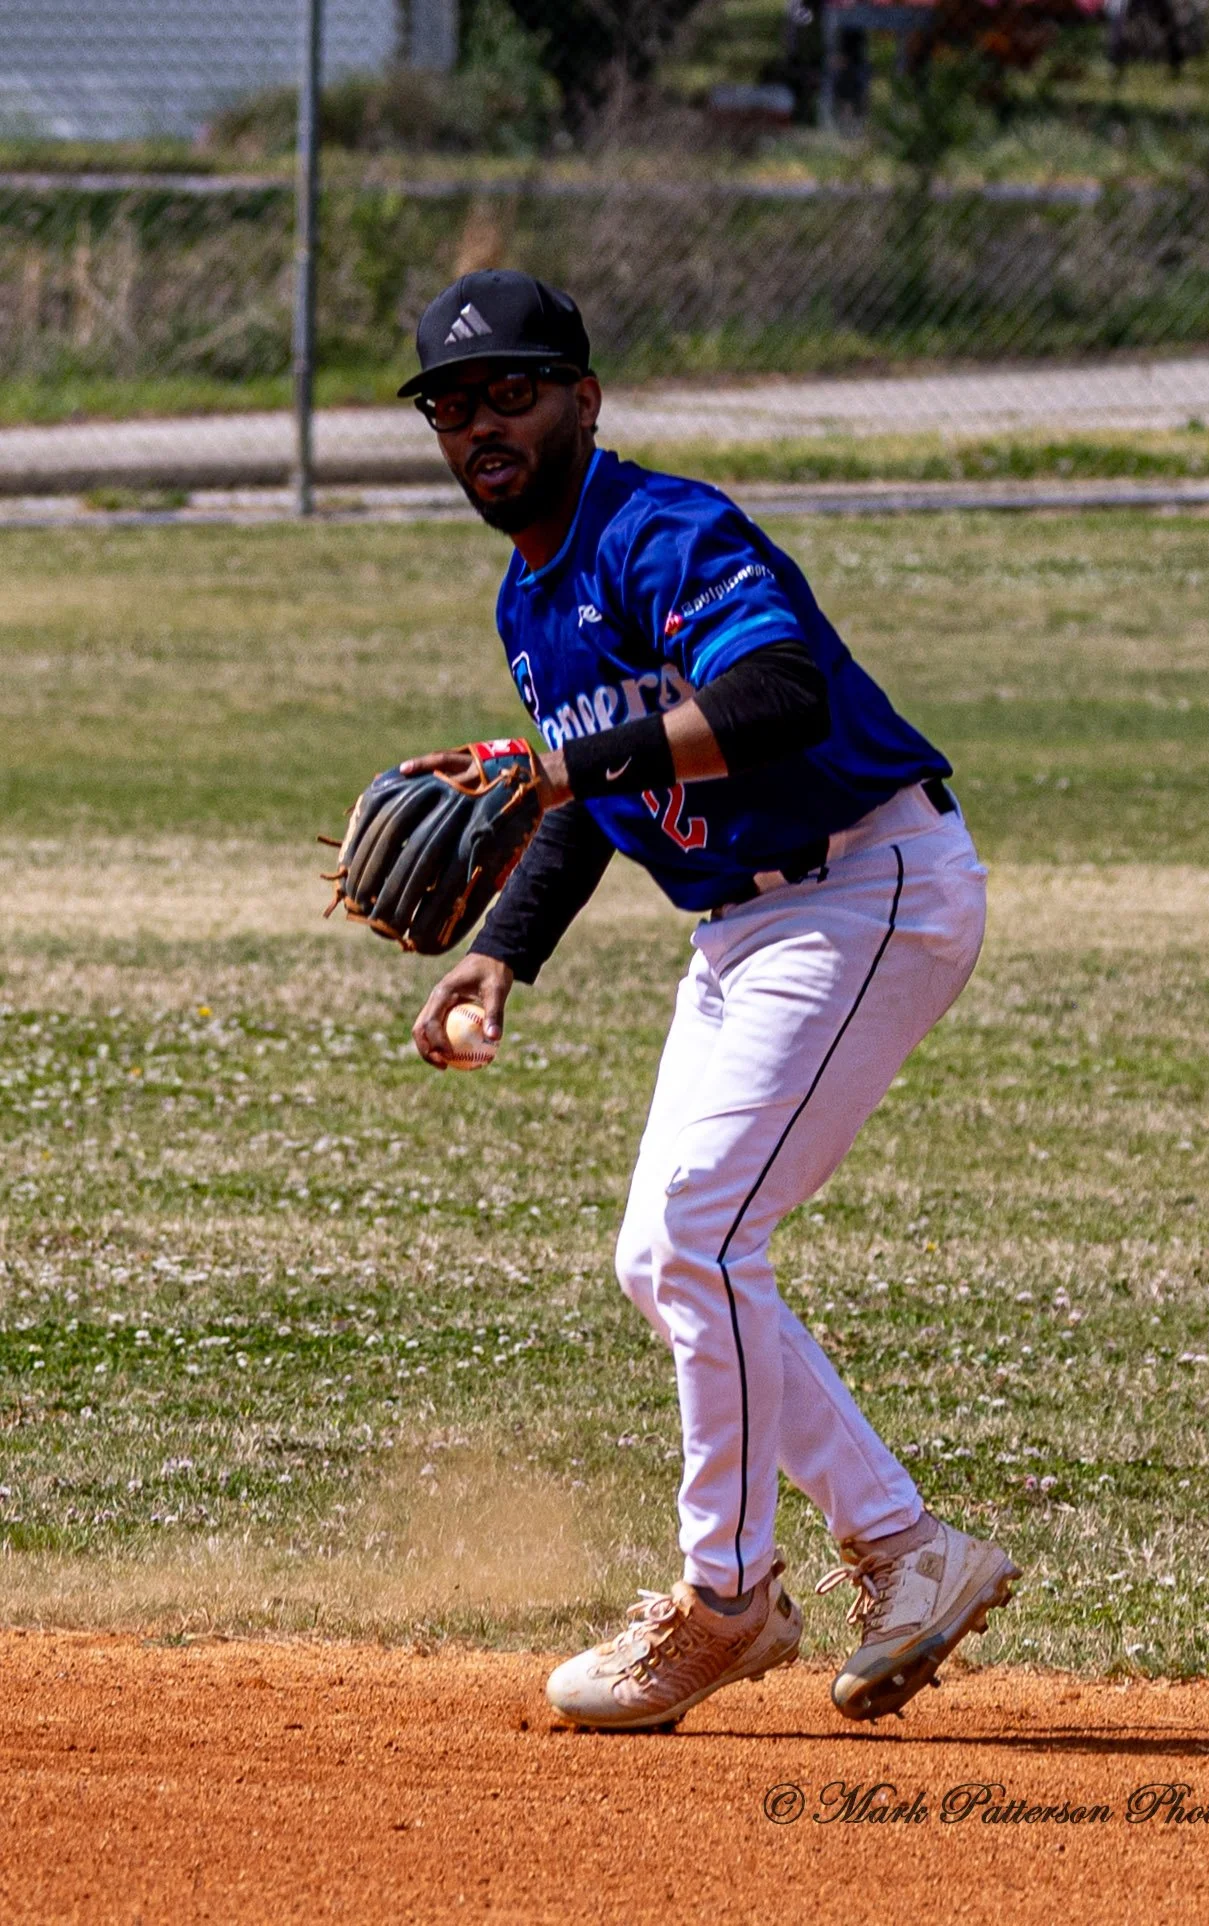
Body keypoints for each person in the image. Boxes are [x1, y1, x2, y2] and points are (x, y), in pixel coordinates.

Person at [399, 269, 1020, 1730]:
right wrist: (502, 947)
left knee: (698, 1232)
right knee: (662, 1253)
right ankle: (909, 1550)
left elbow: (775, 697)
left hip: (862, 884)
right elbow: (607, 785)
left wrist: (560, 764)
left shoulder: (663, 530)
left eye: (512, 391)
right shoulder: (531, 593)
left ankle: (725, 1596)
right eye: (450, 404)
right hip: (743, 930)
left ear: (582, 400)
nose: (480, 423)